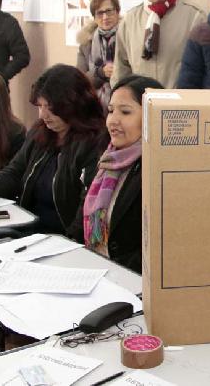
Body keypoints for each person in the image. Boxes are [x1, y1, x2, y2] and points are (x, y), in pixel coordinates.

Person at [0, 65, 108, 235]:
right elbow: (14, 172)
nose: (42, 115)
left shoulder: (94, 143)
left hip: (63, 238)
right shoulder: (40, 132)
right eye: (40, 106)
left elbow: (87, 207)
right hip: (29, 228)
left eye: (49, 107)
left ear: (72, 104)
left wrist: (67, 243)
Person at [81, 75, 164, 273]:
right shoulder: (105, 160)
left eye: (125, 112)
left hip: (130, 280)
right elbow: (78, 225)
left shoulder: (158, 169)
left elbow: (156, 250)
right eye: (110, 111)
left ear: (152, 115)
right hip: (94, 270)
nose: (113, 121)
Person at [112, 0, 205, 88]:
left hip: (179, 105)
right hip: (141, 105)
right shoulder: (129, 21)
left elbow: (203, 70)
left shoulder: (194, 17)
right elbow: (121, 71)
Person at [77, 0, 122, 109]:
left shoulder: (129, 37)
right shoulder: (86, 43)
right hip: (93, 105)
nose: (105, 17)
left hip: (123, 102)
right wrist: (100, 73)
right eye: (100, 13)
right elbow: (80, 80)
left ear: (117, 12)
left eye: (109, 11)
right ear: (94, 17)